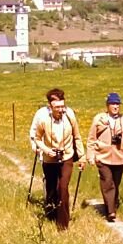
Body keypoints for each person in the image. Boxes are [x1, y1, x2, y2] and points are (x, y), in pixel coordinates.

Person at [32, 88, 86, 230]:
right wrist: (46, 150)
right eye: (57, 107)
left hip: (66, 156)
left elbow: (77, 136)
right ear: (50, 106)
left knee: (62, 187)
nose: (61, 110)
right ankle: (51, 214)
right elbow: (37, 138)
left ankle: (62, 225)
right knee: (51, 189)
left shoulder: (70, 116)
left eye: (63, 106)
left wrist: (82, 157)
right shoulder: (43, 119)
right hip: (49, 160)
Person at [86, 92, 123, 222]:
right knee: (107, 182)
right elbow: (91, 138)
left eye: (117, 104)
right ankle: (111, 212)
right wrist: (90, 156)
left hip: (119, 157)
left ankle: (111, 205)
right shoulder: (99, 119)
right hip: (102, 156)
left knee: (115, 184)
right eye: (113, 104)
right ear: (107, 105)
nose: (116, 106)